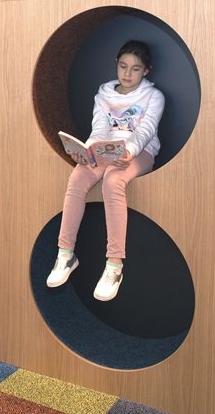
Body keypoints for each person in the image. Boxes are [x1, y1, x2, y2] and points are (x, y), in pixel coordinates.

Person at [46, 40, 165, 301]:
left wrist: (129, 152)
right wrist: (87, 151)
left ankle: (114, 265)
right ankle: (65, 254)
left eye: (135, 69)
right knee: (77, 178)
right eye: (123, 66)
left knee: (113, 181)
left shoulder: (153, 97)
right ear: (116, 64)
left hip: (138, 152)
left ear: (146, 71)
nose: (127, 73)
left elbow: (146, 131)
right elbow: (99, 129)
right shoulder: (102, 96)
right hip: (103, 150)